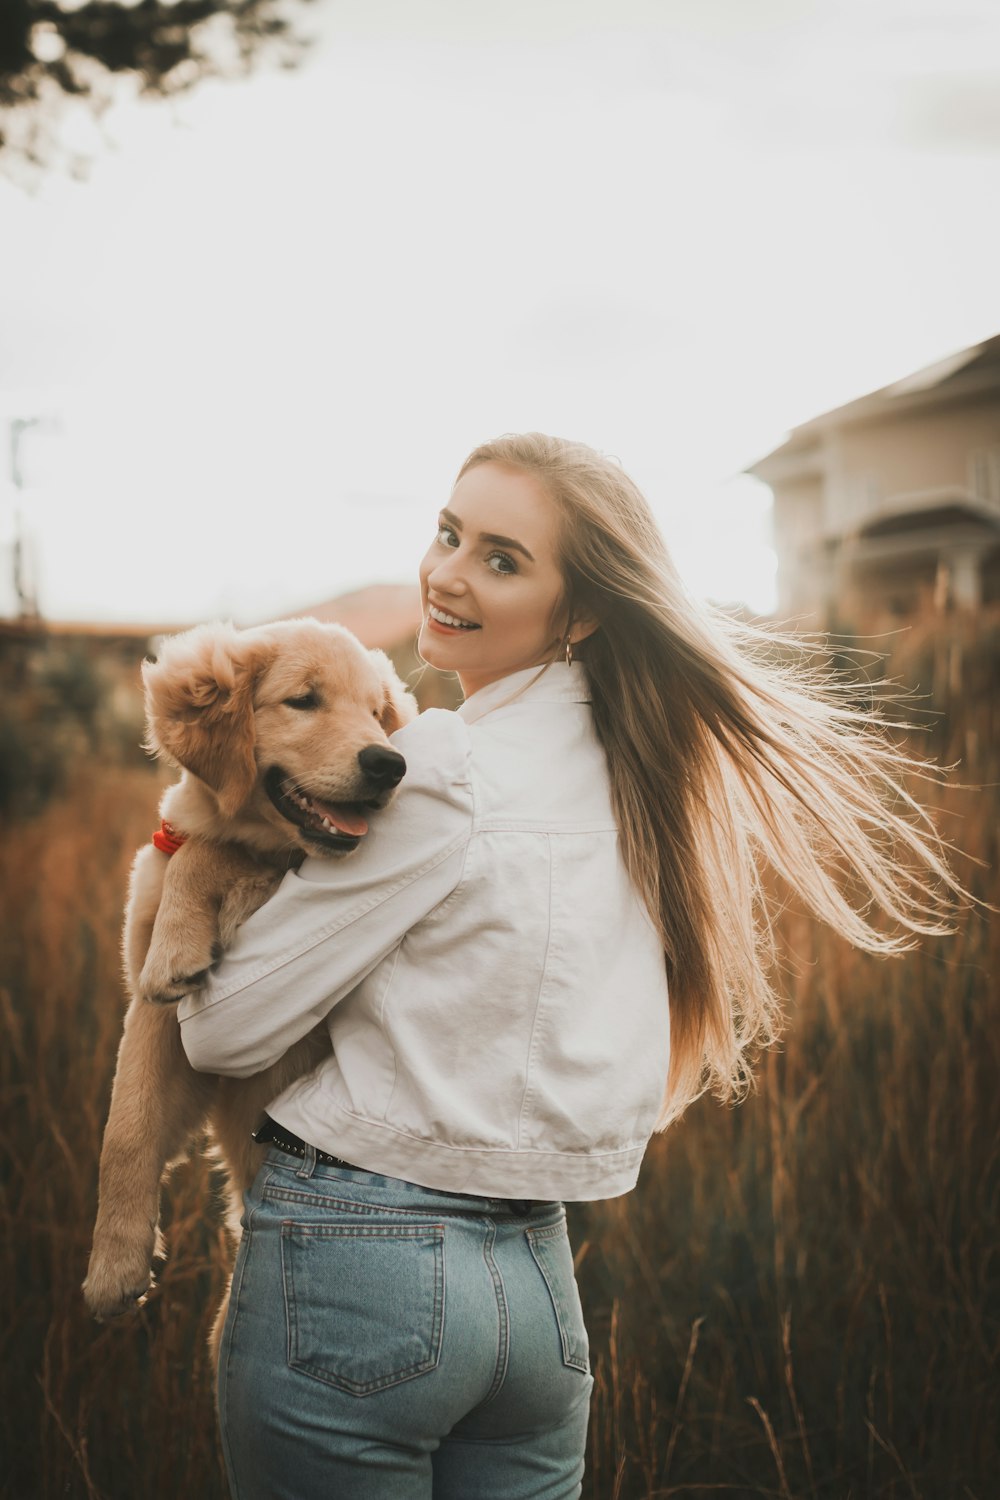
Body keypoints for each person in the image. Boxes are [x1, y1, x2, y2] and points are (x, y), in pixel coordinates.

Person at [177, 433, 963, 1500]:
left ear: (582, 610)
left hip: (357, 1268)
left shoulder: (449, 768)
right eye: (449, 533)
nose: (449, 573)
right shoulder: (652, 782)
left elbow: (221, 1032)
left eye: (503, 559)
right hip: (537, 1294)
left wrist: (190, 875)